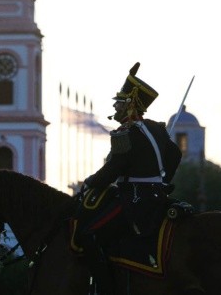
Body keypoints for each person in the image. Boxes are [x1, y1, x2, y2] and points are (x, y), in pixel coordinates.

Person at [75, 62, 182, 295]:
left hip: (134, 200)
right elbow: (175, 154)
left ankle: (106, 289)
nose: (115, 105)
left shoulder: (124, 132)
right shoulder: (157, 128)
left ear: (131, 103)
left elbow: (115, 167)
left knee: (89, 233)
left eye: (119, 101)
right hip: (157, 195)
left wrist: (91, 181)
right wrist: (163, 180)